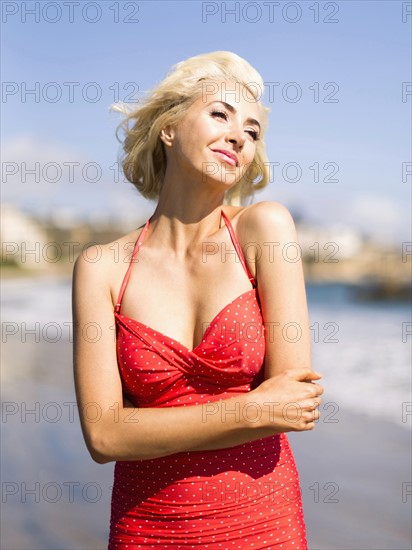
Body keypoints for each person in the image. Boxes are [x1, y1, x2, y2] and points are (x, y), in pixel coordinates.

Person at [72, 51, 324, 549]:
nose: (239, 136)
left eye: (252, 131)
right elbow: (104, 437)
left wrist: (142, 426)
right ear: (168, 128)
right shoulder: (102, 267)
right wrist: (250, 410)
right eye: (220, 115)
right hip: (148, 526)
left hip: (263, 521)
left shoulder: (264, 229)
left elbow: (293, 404)